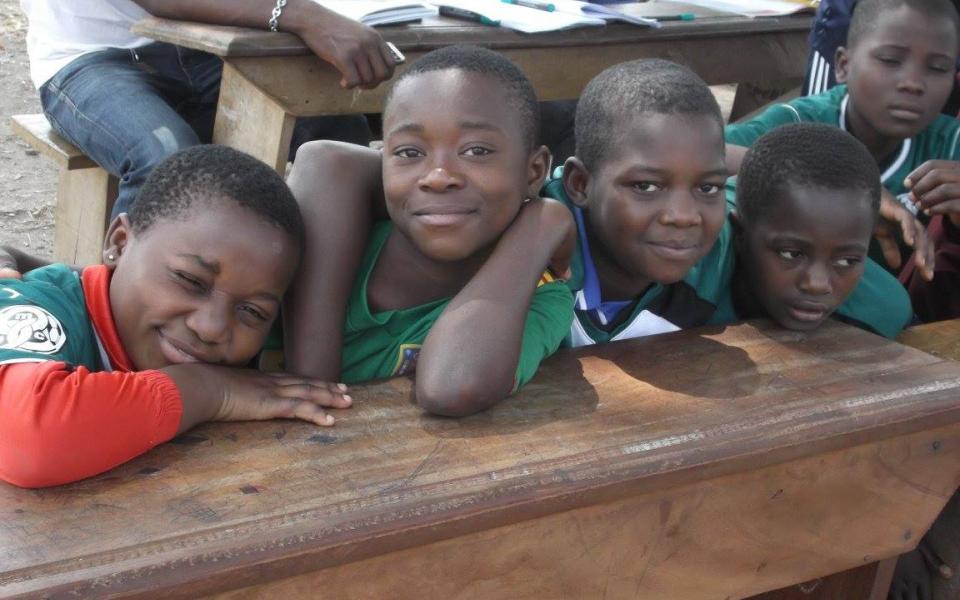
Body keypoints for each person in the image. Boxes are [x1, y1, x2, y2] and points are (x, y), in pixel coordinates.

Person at [0, 145, 351, 488]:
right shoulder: (33, 307)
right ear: (120, 244)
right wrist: (210, 391)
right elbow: (31, 438)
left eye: (252, 311)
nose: (212, 327)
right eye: (190, 280)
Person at [285, 46, 575, 417]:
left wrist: (543, 221)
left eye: (477, 150)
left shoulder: (542, 298)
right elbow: (326, 161)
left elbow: (451, 386)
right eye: (409, 153)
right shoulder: (337, 234)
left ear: (534, 172)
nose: (439, 177)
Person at [20, 0, 398, 219]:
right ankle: (126, 335)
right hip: (88, 60)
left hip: (207, 48)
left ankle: (313, 310)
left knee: (333, 128)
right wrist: (302, 14)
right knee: (165, 157)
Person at [726, 0, 959, 309]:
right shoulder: (799, 123)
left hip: (897, 328)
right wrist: (840, 182)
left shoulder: (950, 143)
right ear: (842, 65)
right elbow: (703, 152)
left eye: (938, 68)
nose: (913, 83)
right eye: (890, 60)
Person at [541, 59, 734, 346]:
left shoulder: (723, 256)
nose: (683, 216)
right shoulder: (535, 253)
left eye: (707, 188)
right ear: (580, 184)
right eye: (646, 186)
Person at [723, 123, 912, 338]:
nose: (817, 284)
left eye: (846, 261)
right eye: (791, 254)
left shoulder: (882, 312)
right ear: (740, 233)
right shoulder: (696, 265)